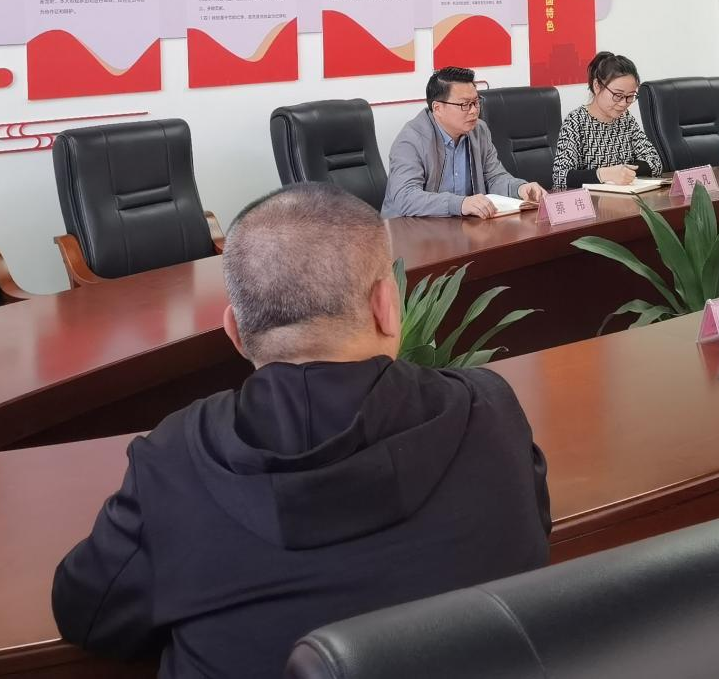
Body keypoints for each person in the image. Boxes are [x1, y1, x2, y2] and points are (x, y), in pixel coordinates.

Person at [52, 183, 553, 678]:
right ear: (386, 304)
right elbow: (535, 531)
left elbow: (87, 613)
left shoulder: (173, 460)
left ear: (235, 332)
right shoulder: (489, 410)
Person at [382, 66, 548, 219]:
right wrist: (459, 204)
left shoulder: (479, 130)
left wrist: (519, 188)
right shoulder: (411, 140)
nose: (474, 111)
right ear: (437, 108)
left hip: (461, 227)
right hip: (411, 231)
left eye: (476, 102)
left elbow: (494, 177)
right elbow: (405, 197)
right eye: (464, 104)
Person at [550, 51, 663, 190]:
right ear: (597, 86)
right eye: (618, 95)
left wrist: (624, 172)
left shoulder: (625, 119)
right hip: (592, 201)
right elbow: (560, 178)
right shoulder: (576, 122)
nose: (624, 103)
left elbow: (655, 162)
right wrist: (604, 174)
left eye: (630, 96)